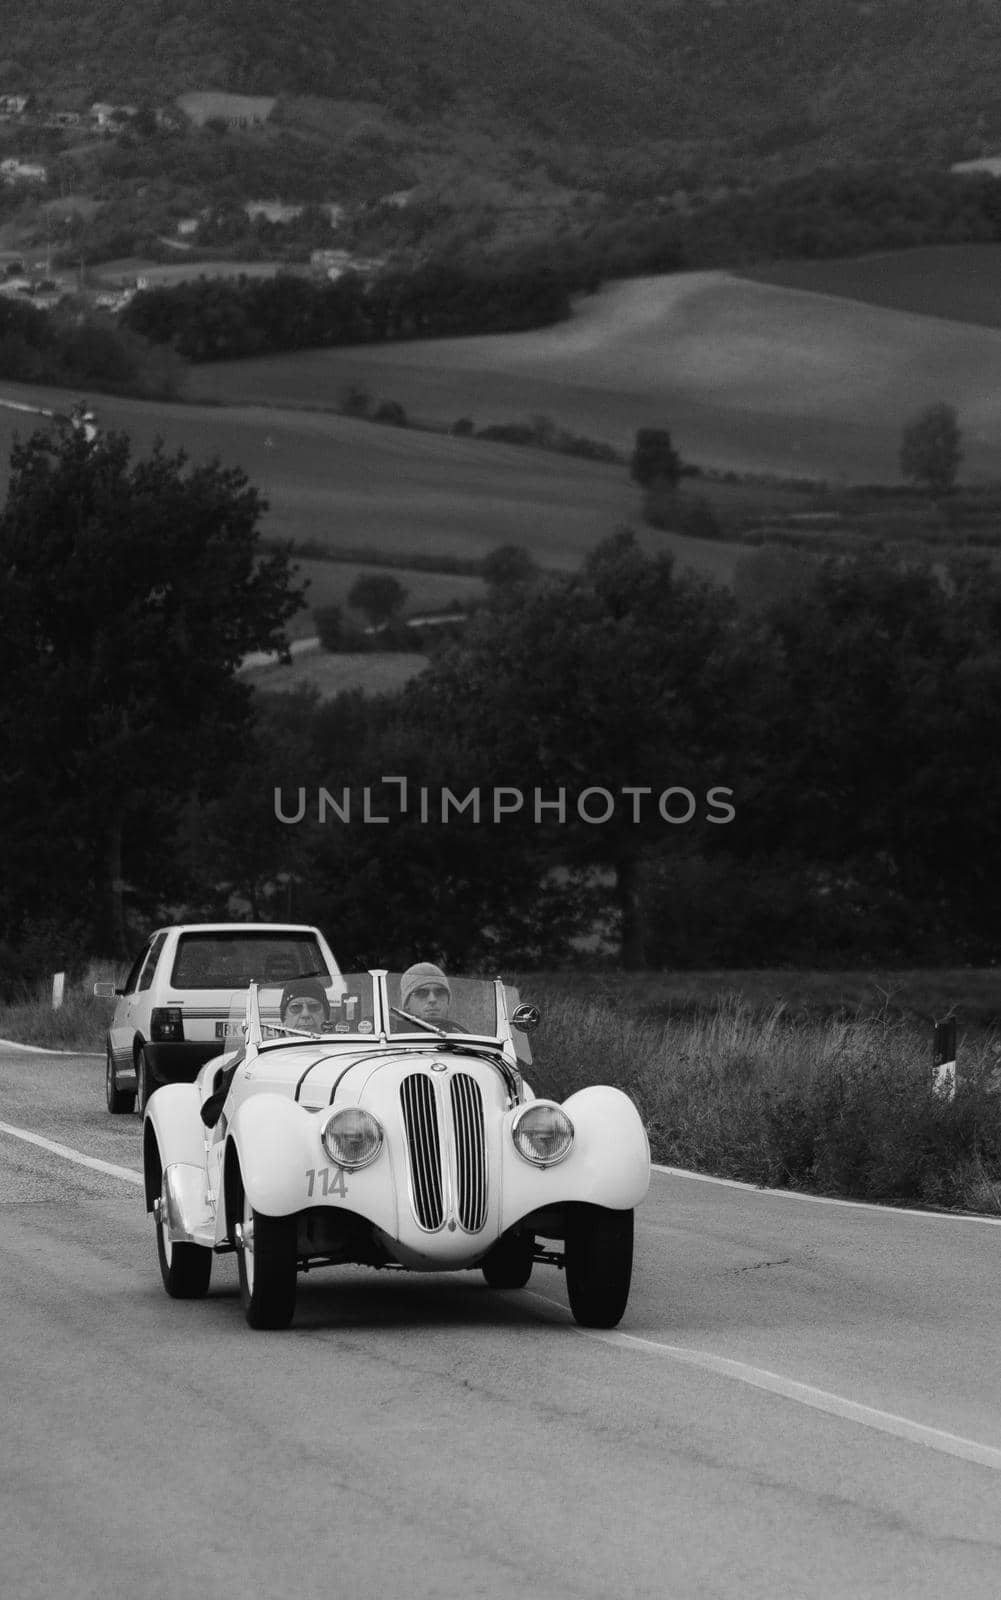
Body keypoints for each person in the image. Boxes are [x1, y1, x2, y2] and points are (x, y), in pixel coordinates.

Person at [396, 962, 465, 1031]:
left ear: (448, 1001)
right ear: (406, 1004)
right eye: (421, 993)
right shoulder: (392, 1039)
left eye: (440, 992)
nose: (432, 999)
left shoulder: (463, 1039)